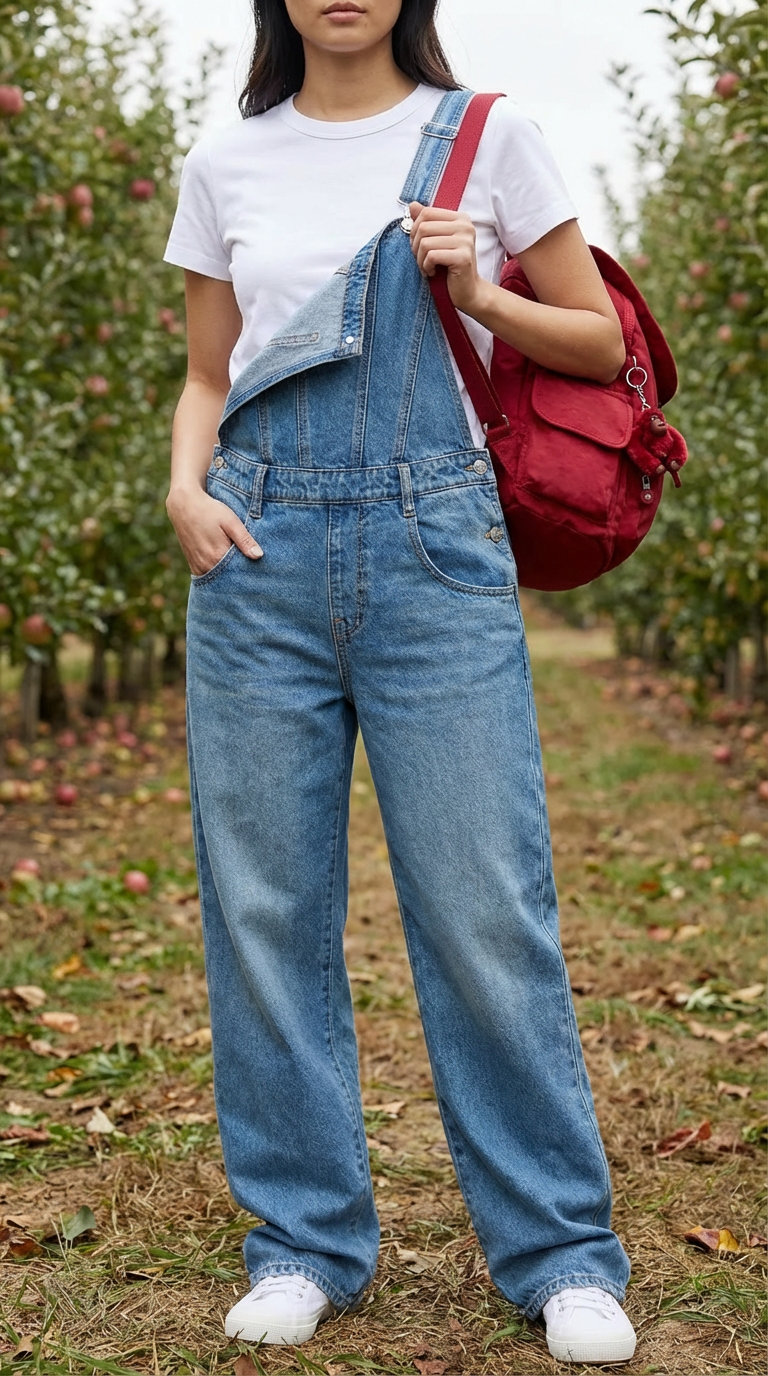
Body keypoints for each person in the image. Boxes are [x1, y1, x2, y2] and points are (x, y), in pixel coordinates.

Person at [162, 0, 637, 1364]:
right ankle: (302, 1240)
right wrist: (180, 488)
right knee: (265, 906)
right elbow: (208, 374)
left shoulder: (487, 138)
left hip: (437, 546)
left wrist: (480, 291)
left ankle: (558, 1252)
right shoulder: (227, 161)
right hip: (256, 557)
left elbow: (599, 344)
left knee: (486, 901)